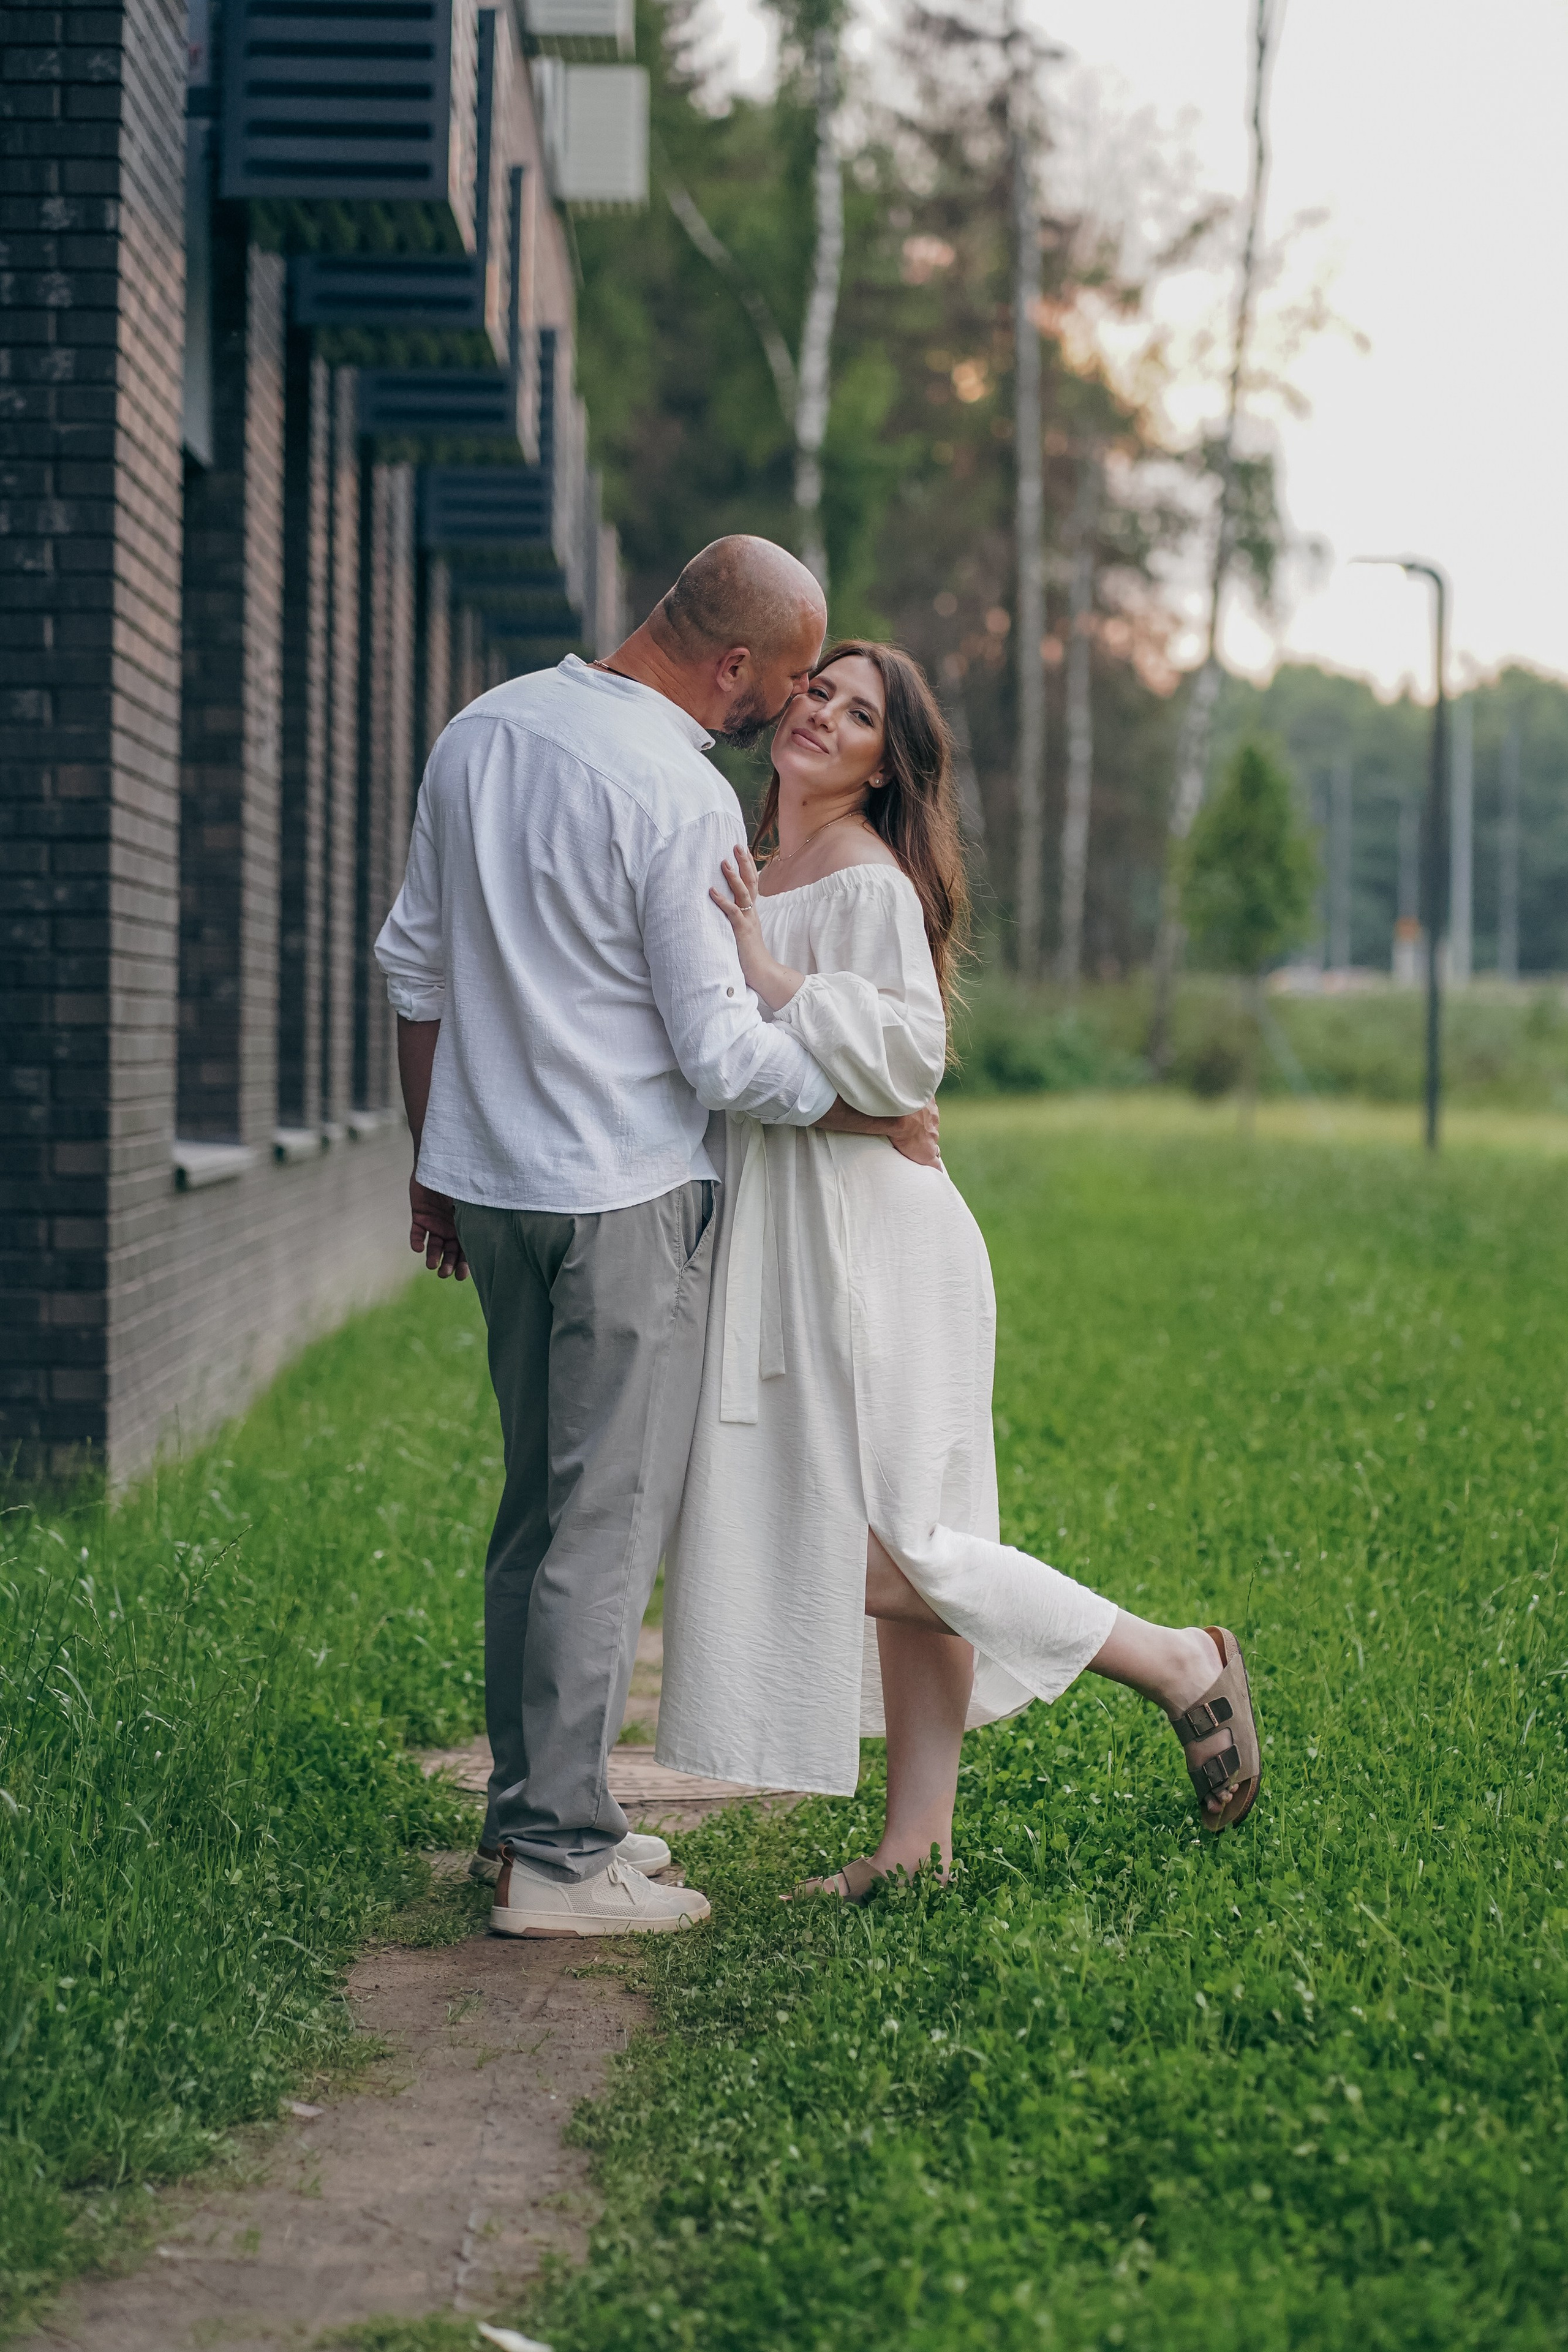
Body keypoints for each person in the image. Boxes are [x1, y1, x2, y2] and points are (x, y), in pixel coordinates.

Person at [374, 541, 939, 1938]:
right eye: (792, 680)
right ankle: (560, 1860)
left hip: (494, 1192)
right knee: (600, 1529)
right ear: (733, 666)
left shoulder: (480, 730)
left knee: (534, 1519)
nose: (792, 708)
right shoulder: (681, 792)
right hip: (620, 1201)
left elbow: (414, 972)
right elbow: (718, 1053)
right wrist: (861, 1116)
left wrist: (433, 1160)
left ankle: (531, 1828)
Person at [657, 641, 1261, 1897]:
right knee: (903, 1541)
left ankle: (1174, 1664)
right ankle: (916, 1847)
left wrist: (777, 983)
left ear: (889, 767)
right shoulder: (761, 862)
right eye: (818, 689)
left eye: (859, 711)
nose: (822, 712)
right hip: (804, 1231)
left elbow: (906, 1058)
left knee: (886, 1548)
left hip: (873, 1242)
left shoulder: (866, 879)